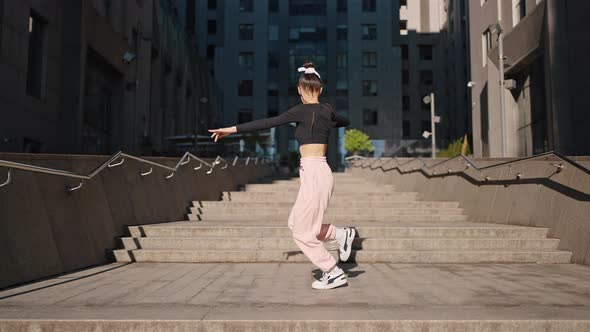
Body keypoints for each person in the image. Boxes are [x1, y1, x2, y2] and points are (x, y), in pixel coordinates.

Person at [208, 62, 356, 290]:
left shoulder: (300, 110)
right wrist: (327, 123)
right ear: (321, 89)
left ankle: (333, 271)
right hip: (316, 172)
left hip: (315, 172)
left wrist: (232, 129)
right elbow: (345, 121)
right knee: (295, 222)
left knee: (302, 232)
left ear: (299, 89)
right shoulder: (327, 109)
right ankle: (340, 234)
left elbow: (267, 122)